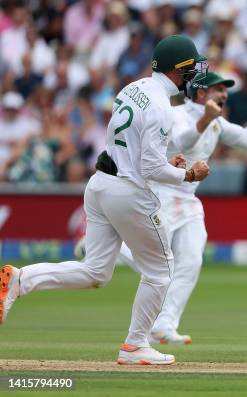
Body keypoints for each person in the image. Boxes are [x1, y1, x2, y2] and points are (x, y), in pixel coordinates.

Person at [0, 35, 209, 365]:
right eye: (190, 70)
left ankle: (21, 279)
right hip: (128, 192)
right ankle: (135, 344)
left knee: (95, 272)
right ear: (177, 70)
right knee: (162, 270)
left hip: (99, 184)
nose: (193, 76)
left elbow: (131, 148)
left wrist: (165, 164)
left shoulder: (133, 89)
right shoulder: (162, 108)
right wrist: (188, 175)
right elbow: (150, 167)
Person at [111, 71, 247, 344]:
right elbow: (181, 142)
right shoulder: (175, 114)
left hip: (188, 198)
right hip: (160, 192)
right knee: (159, 264)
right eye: (219, 89)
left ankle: (164, 324)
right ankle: (109, 246)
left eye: (224, 90)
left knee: (192, 260)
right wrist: (205, 119)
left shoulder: (216, 122)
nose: (224, 94)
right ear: (200, 93)